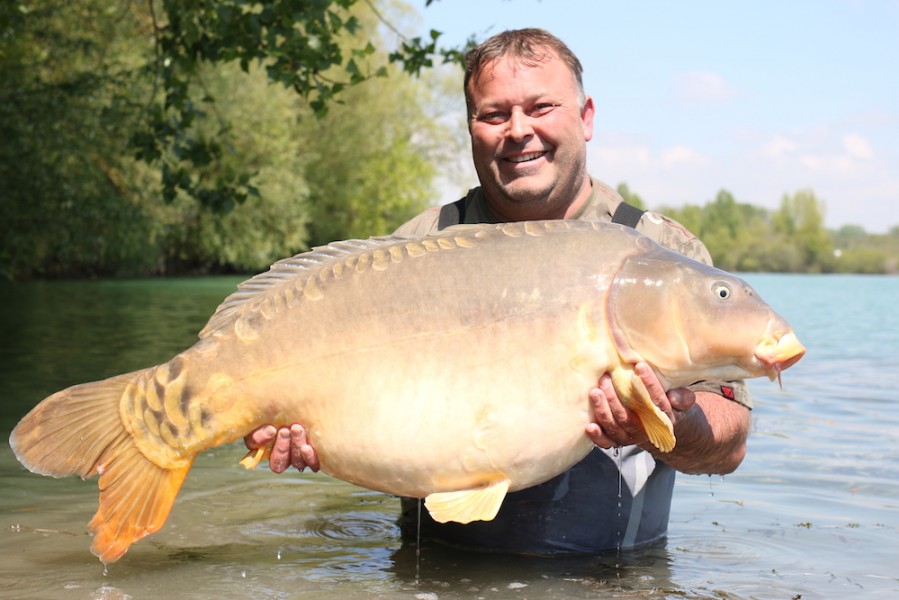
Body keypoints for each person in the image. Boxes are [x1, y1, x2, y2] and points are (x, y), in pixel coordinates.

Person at [245, 28, 751, 554]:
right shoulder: (417, 247)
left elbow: (730, 439)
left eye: (541, 107)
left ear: (586, 117)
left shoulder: (661, 253)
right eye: (494, 114)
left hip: (616, 580)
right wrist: (301, 434)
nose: (518, 130)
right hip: (440, 573)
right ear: (471, 128)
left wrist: (671, 420)